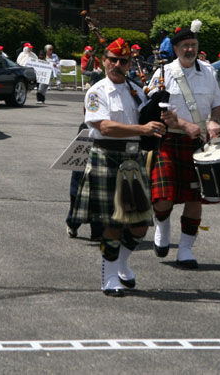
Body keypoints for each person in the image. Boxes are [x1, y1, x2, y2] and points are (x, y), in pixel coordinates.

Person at [70, 37, 168, 297]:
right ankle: (110, 276)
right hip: (107, 157)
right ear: (103, 61)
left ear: (128, 64)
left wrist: (162, 119)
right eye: (112, 59)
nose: (117, 64)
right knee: (111, 224)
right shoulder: (96, 92)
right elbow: (103, 127)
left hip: (133, 160)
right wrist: (141, 128)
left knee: (139, 225)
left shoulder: (135, 90)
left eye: (122, 61)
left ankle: (122, 262)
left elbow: (148, 117)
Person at [149, 25, 220, 269]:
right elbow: (154, 109)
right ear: (175, 48)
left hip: (196, 143)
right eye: (184, 45)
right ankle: (162, 226)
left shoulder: (208, 72)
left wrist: (215, 120)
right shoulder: (163, 73)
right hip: (168, 140)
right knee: (163, 196)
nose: (189, 49)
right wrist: (184, 125)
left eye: (193, 44)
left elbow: (219, 103)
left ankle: (185, 250)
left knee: (196, 198)